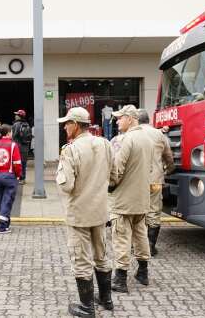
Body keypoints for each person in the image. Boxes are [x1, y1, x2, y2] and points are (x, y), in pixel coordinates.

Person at [56, 107, 116, 317]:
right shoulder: (105, 144)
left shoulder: (70, 150)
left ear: (75, 124)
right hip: (100, 210)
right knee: (102, 255)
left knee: (81, 260)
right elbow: (115, 176)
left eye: (67, 123)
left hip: (79, 213)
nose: (64, 127)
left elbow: (66, 186)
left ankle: (87, 307)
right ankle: (107, 299)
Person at [109, 105, 153, 293]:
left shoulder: (125, 140)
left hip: (124, 199)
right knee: (140, 234)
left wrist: (109, 186)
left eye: (119, 118)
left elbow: (116, 170)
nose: (117, 121)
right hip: (141, 197)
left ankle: (120, 279)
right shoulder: (148, 138)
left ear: (129, 118)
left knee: (121, 237)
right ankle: (143, 272)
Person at [138, 109, 174, 256]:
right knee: (154, 211)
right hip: (155, 180)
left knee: (138, 211)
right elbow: (168, 156)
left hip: (137, 181)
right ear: (148, 120)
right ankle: (151, 246)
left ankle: (138, 246)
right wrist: (169, 170)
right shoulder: (159, 134)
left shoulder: (132, 134)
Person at [0, 124, 22, 234]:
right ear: (8, 133)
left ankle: (6, 223)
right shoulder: (13, 145)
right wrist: (18, 175)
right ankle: (2, 225)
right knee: (7, 200)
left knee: (1, 201)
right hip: (9, 175)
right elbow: (17, 163)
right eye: (11, 132)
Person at [11, 109, 32, 184]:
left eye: (16, 115)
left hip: (18, 147)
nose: (15, 116)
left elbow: (14, 136)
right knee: (24, 163)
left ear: (19, 116)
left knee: (16, 163)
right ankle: (23, 179)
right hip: (25, 147)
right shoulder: (27, 124)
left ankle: (17, 177)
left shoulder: (16, 124)